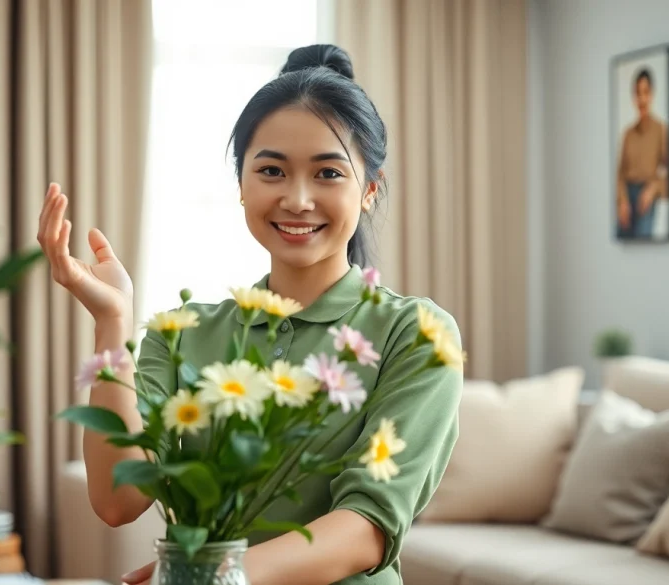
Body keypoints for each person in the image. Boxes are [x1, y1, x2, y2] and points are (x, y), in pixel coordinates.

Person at [36, 44, 463, 585]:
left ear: (370, 191)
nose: (298, 199)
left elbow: (366, 529)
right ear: (241, 185)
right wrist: (112, 325)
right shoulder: (182, 333)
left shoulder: (416, 333)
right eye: (272, 170)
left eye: (329, 173)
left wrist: (213, 575)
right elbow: (118, 501)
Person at [616, 67, 669, 239]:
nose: (642, 99)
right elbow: (620, 174)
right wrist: (622, 200)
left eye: (645, 92)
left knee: (643, 238)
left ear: (652, 94)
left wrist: (653, 189)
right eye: (638, 93)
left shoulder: (661, 130)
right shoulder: (628, 134)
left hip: (646, 195)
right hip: (627, 196)